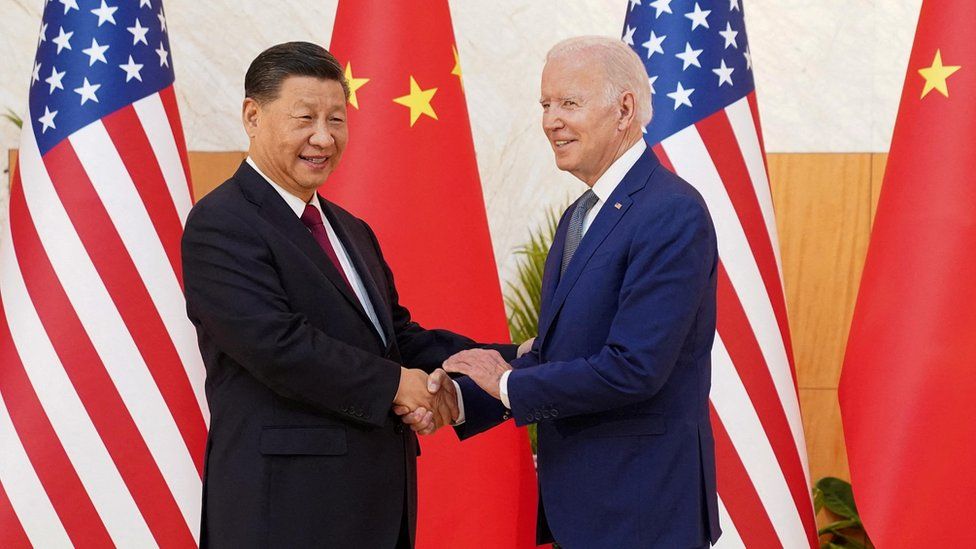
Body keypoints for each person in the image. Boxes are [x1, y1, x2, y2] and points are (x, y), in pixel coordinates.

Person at [181, 41, 515, 548]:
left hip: (375, 509)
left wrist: (503, 363)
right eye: (305, 118)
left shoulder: (350, 229)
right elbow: (279, 347)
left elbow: (395, 338)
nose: (323, 137)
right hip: (285, 514)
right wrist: (397, 387)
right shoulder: (221, 224)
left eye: (336, 119)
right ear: (253, 116)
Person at [430, 36, 722, 548]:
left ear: (624, 109)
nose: (549, 121)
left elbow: (634, 368)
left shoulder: (670, 211)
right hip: (586, 509)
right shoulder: (579, 217)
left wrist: (506, 386)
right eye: (545, 104)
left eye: (569, 103)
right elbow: (559, 353)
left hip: (643, 511)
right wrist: (459, 397)